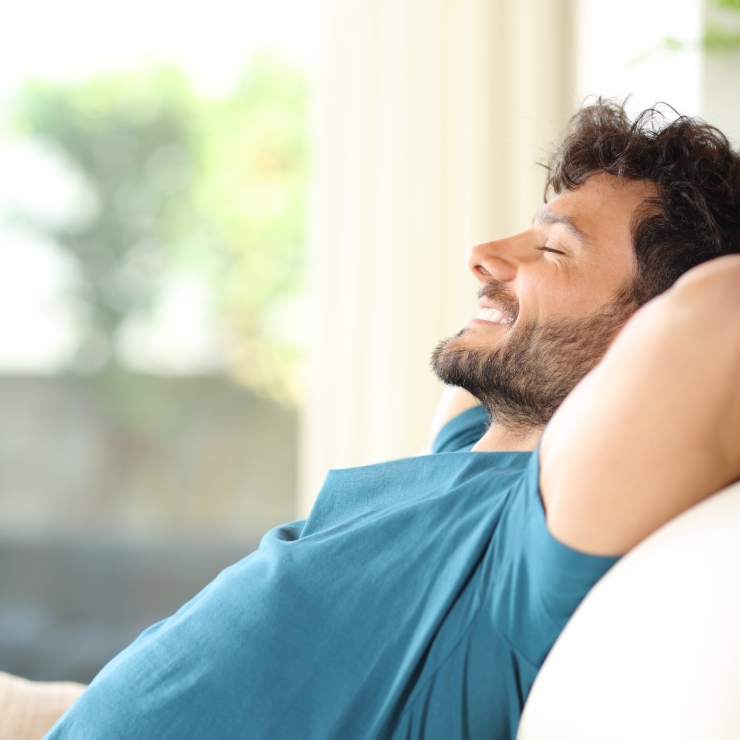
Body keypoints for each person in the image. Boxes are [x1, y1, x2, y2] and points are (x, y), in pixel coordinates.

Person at [45, 100, 740, 740]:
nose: (484, 254)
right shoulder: (466, 452)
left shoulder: (523, 548)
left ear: (641, 338)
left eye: (552, 249)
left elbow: (711, 316)